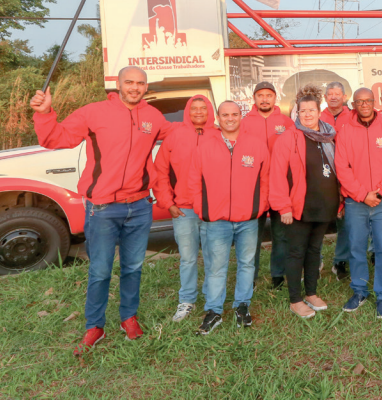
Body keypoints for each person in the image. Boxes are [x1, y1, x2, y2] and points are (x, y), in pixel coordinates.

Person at [31, 66, 177, 355]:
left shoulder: (153, 117)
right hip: (102, 208)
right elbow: (55, 138)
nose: (135, 87)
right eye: (130, 82)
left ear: (146, 87)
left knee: (133, 267)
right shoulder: (94, 112)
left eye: (140, 83)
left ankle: (128, 319)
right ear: (118, 84)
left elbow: (181, 138)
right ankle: (95, 326)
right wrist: (45, 114)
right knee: (99, 270)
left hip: (139, 206)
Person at [185, 101, 270, 335]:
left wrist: (259, 207)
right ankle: (214, 311)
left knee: (247, 264)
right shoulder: (205, 145)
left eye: (234, 114)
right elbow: (194, 181)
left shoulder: (256, 144)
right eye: (225, 115)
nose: (230, 118)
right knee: (215, 267)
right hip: (217, 220)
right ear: (218, 118)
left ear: (240, 116)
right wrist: (202, 210)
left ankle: (242, 305)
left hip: (248, 219)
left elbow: (265, 179)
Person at [269, 84, 339, 319]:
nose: (308, 114)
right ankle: (295, 299)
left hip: (324, 205)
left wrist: (338, 203)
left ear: (320, 112)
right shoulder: (289, 138)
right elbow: (277, 174)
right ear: (297, 114)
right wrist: (284, 207)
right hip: (299, 207)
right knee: (296, 252)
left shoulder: (329, 135)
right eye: (303, 111)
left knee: (314, 250)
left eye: (312, 110)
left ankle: (311, 292)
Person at [335, 88, 382, 319]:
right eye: (359, 101)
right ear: (353, 104)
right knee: (356, 249)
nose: (364, 105)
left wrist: (381, 193)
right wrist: (362, 195)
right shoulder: (344, 132)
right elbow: (342, 168)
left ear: (374, 103)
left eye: (368, 101)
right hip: (356, 202)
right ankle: (360, 291)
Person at [153, 95, 217, 322]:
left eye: (203, 108)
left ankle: (212, 300)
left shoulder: (219, 135)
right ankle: (187, 300)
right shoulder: (175, 136)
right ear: (188, 112)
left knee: (213, 257)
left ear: (210, 111)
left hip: (213, 210)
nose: (199, 112)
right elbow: (160, 171)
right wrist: (167, 202)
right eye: (194, 108)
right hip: (184, 209)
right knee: (188, 258)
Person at [242, 81, 294, 288]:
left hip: (280, 188)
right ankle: (251, 278)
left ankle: (278, 276)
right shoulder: (243, 123)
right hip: (253, 189)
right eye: (260, 95)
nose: (264, 99)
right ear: (254, 98)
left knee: (281, 236)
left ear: (275, 98)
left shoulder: (286, 122)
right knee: (251, 236)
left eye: (269, 95)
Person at [322, 81, 353, 281]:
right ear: (325, 97)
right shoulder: (317, 116)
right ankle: (315, 262)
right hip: (322, 176)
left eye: (337, 94)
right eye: (330, 93)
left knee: (346, 221)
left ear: (344, 97)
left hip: (346, 174)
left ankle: (340, 260)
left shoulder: (352, 117)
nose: (333, 97)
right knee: (316, 221)